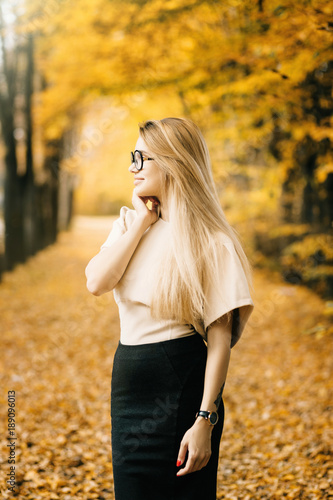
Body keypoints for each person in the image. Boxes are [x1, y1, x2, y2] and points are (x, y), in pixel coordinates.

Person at [85, 117, 254, 500]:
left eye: (141, 158)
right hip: (128, 386)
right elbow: (97, 282)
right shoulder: (129, 225)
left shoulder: (212, 242)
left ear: (173, 162)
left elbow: (221, 337)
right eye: (133, 157)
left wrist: (205, 421)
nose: (132, 167)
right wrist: (143, 221)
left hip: (180, 389)